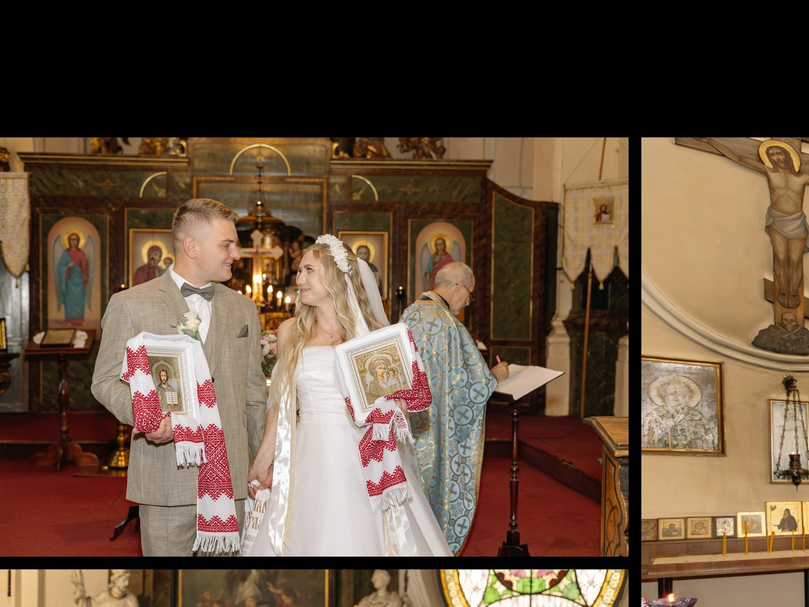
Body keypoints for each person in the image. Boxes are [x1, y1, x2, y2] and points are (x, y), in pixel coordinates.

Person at [243, 237, 448, 556]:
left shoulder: (376, 333)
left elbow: (399, 414)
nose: (299, 280)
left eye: (309, 270)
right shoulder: (290, 332)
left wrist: (397, 406)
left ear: (337, 276)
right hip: (308, 452)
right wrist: (262, 461)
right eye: (299, 272)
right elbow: (280, 408)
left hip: (363, 452)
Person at [90, 197, 267, 556]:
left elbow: (253, 396)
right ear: (191, 246)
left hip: (231, 478)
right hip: (165, 478)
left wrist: (264, 462)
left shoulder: (243, 307)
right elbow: (105, 381)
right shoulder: (130, 304)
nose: (236, 252)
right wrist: (149, 416)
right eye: (226, 244)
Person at [405, 260, 508, 553]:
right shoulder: (450, 325)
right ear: (459, 286)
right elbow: (472, 389)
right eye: (469, 295)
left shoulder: (410, 313)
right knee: (436, 489)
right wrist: (495, 376)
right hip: (437, 428)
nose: (467, 302)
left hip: (409, 422)